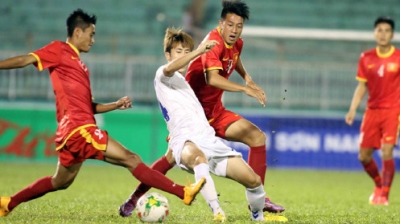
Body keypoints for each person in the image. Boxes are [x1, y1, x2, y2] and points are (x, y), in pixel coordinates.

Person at [0, 9, 206, 217]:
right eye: (91, 34)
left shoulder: (80, 66)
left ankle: (8, 202)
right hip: (79, 129)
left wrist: (114, 105)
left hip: (72, 132)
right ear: (78, 32)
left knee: (60, 181)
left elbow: (89, 106)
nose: (93, 40)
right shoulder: (59, 50)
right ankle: (183, 192)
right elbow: (25, 60)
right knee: (131, 159)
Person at [120, 0, 284, 214]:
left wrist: (248, 78)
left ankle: (261, 200)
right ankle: (134, 198)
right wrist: (245, 89)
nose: (235, 30)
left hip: (215, 111)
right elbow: (212, 79)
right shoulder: (212, 43)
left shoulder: (236, 43)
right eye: (231, 25)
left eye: (239, 26)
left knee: (257, 137)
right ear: (221, 24)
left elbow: (235, 58)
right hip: (194, 116)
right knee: (170, 159)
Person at [345, 16, 399, 206]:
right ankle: (378, 185)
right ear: (375, 33)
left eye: (387, 30)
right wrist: (352, 109)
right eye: (379, 30)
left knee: (387, 152)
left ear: (392, 34)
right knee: (364, 156)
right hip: (372, 112)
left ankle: (384, 195)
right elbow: (362, 87)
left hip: (393, 111)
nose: (383, 34)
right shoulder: (366, 57)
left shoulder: (399, 57)